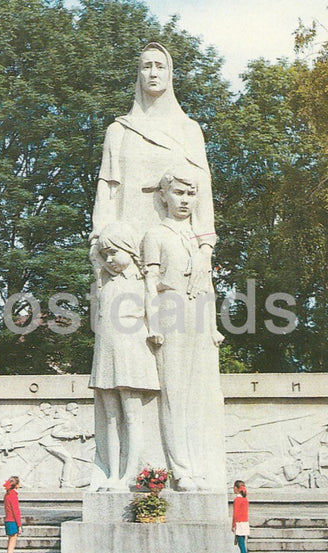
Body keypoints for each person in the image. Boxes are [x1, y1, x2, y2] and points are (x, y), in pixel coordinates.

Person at [91, 42, 216, 297]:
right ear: (139, 74)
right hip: (127, 245)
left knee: (181, 324)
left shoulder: (189, 131)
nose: (153, 73)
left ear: (170, 74)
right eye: (146, 67)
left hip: (177, 244)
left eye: (160, 66)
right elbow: (107, 192)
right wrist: (98, 241)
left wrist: (205, 249)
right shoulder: (119, 131)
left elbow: (202, 194)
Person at [144, 164, 226, 492]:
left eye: (191, 194)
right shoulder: (156, 235)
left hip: (197, 315)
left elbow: (206, 284)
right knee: (173, 394)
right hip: (169, 311)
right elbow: (150, 281)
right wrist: (153, 323)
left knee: (194, 396)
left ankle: (196, 463)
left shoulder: (198, 240)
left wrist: (213, 325)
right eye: (178, 192)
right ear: (163, 196)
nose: (185, 200)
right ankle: (179, 468)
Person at [89, 221, 158, 491]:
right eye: (105, 255)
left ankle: (130, 474)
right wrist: (99, 254)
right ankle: (112, 473)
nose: (109, 259)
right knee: (110, 417)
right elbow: (94, 255)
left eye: (114, 253)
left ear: (129, 250)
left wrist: (155, 330)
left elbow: (152, 310)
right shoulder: (104, 284)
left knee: (132, 416)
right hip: (106, 349)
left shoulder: (142, 283)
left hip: (131, 349)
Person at [3, 475, 22, 553]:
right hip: (12, 521)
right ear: (17, 485)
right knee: (11, 545)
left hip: (8, 520)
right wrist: (19, 525)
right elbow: (16, 511)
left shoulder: (7, 495)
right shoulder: (13, 495)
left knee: (10, 543)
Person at [232, 480, 250, 553]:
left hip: (239, 523)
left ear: (236, 488)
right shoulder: (245, 499)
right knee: (243, 544)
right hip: (245, 523)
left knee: (241, 545)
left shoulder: (237, 500)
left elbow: (235, 514)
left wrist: (233, 525)